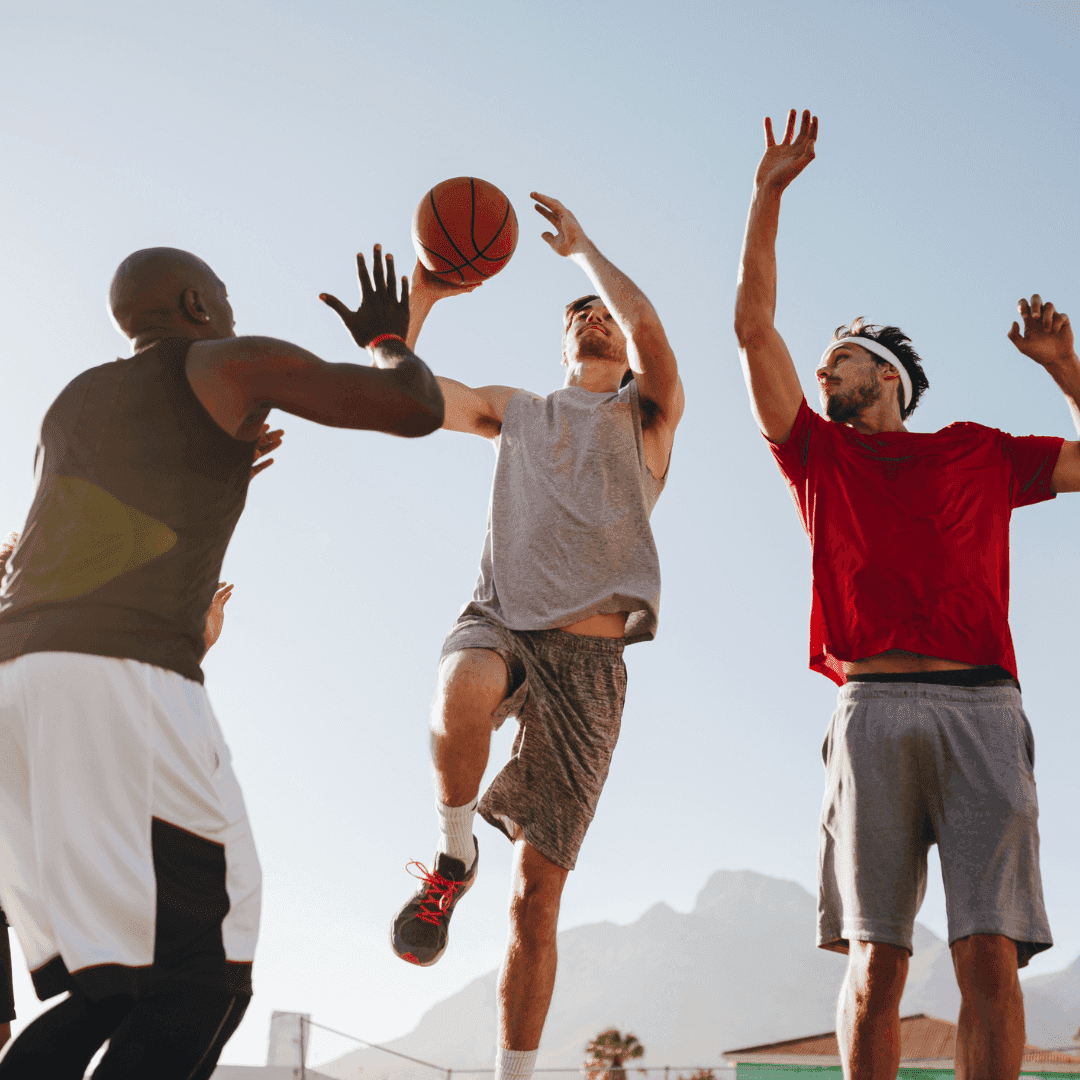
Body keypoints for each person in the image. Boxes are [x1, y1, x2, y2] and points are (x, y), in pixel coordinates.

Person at [0, 244, 443, 1079]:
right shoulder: (225, 360)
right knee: (211, 968)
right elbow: (411, 406)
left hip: (16, 680)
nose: (234, 316)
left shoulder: (70, 403)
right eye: (227, 301)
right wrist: (390, 336)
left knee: (113, 987)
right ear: (198, 305)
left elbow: (96, 520)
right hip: (115, 674)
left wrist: (219, 457)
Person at [733, 109, 1080, 1080]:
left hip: (982, 707)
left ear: (884, 374)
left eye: (840, 356)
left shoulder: (978, 450)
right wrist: (766, 195)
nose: (821, 367)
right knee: (876, 966)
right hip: (872, 708)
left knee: (988, 959)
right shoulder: (816, 457)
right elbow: (750, 329)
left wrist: (1065, 370)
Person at [390, 192, 684, 1080]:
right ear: (561, 348)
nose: (595, 320)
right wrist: (422, 301)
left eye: (606, 316)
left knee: (536, 902)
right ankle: (452, 849)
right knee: (463, 684)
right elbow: (403, 394)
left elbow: (653, 333)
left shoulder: (648, 416)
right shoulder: (518, 411)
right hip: (503, 617)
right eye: (578, 318)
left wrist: (586, 253)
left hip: (590, 665)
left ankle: (513, 1074)